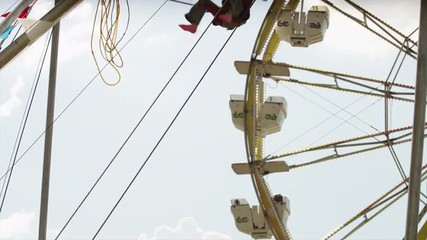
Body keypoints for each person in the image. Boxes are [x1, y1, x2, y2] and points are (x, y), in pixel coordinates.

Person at [179, 0, 252, 33]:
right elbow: (241, 20)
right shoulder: (223, 16)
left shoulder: (221, 16)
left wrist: (206, 8)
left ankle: (194, 25)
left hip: (232, 18)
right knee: (204, 3)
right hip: (235, 17)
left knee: (204, 2)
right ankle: (194, 25)